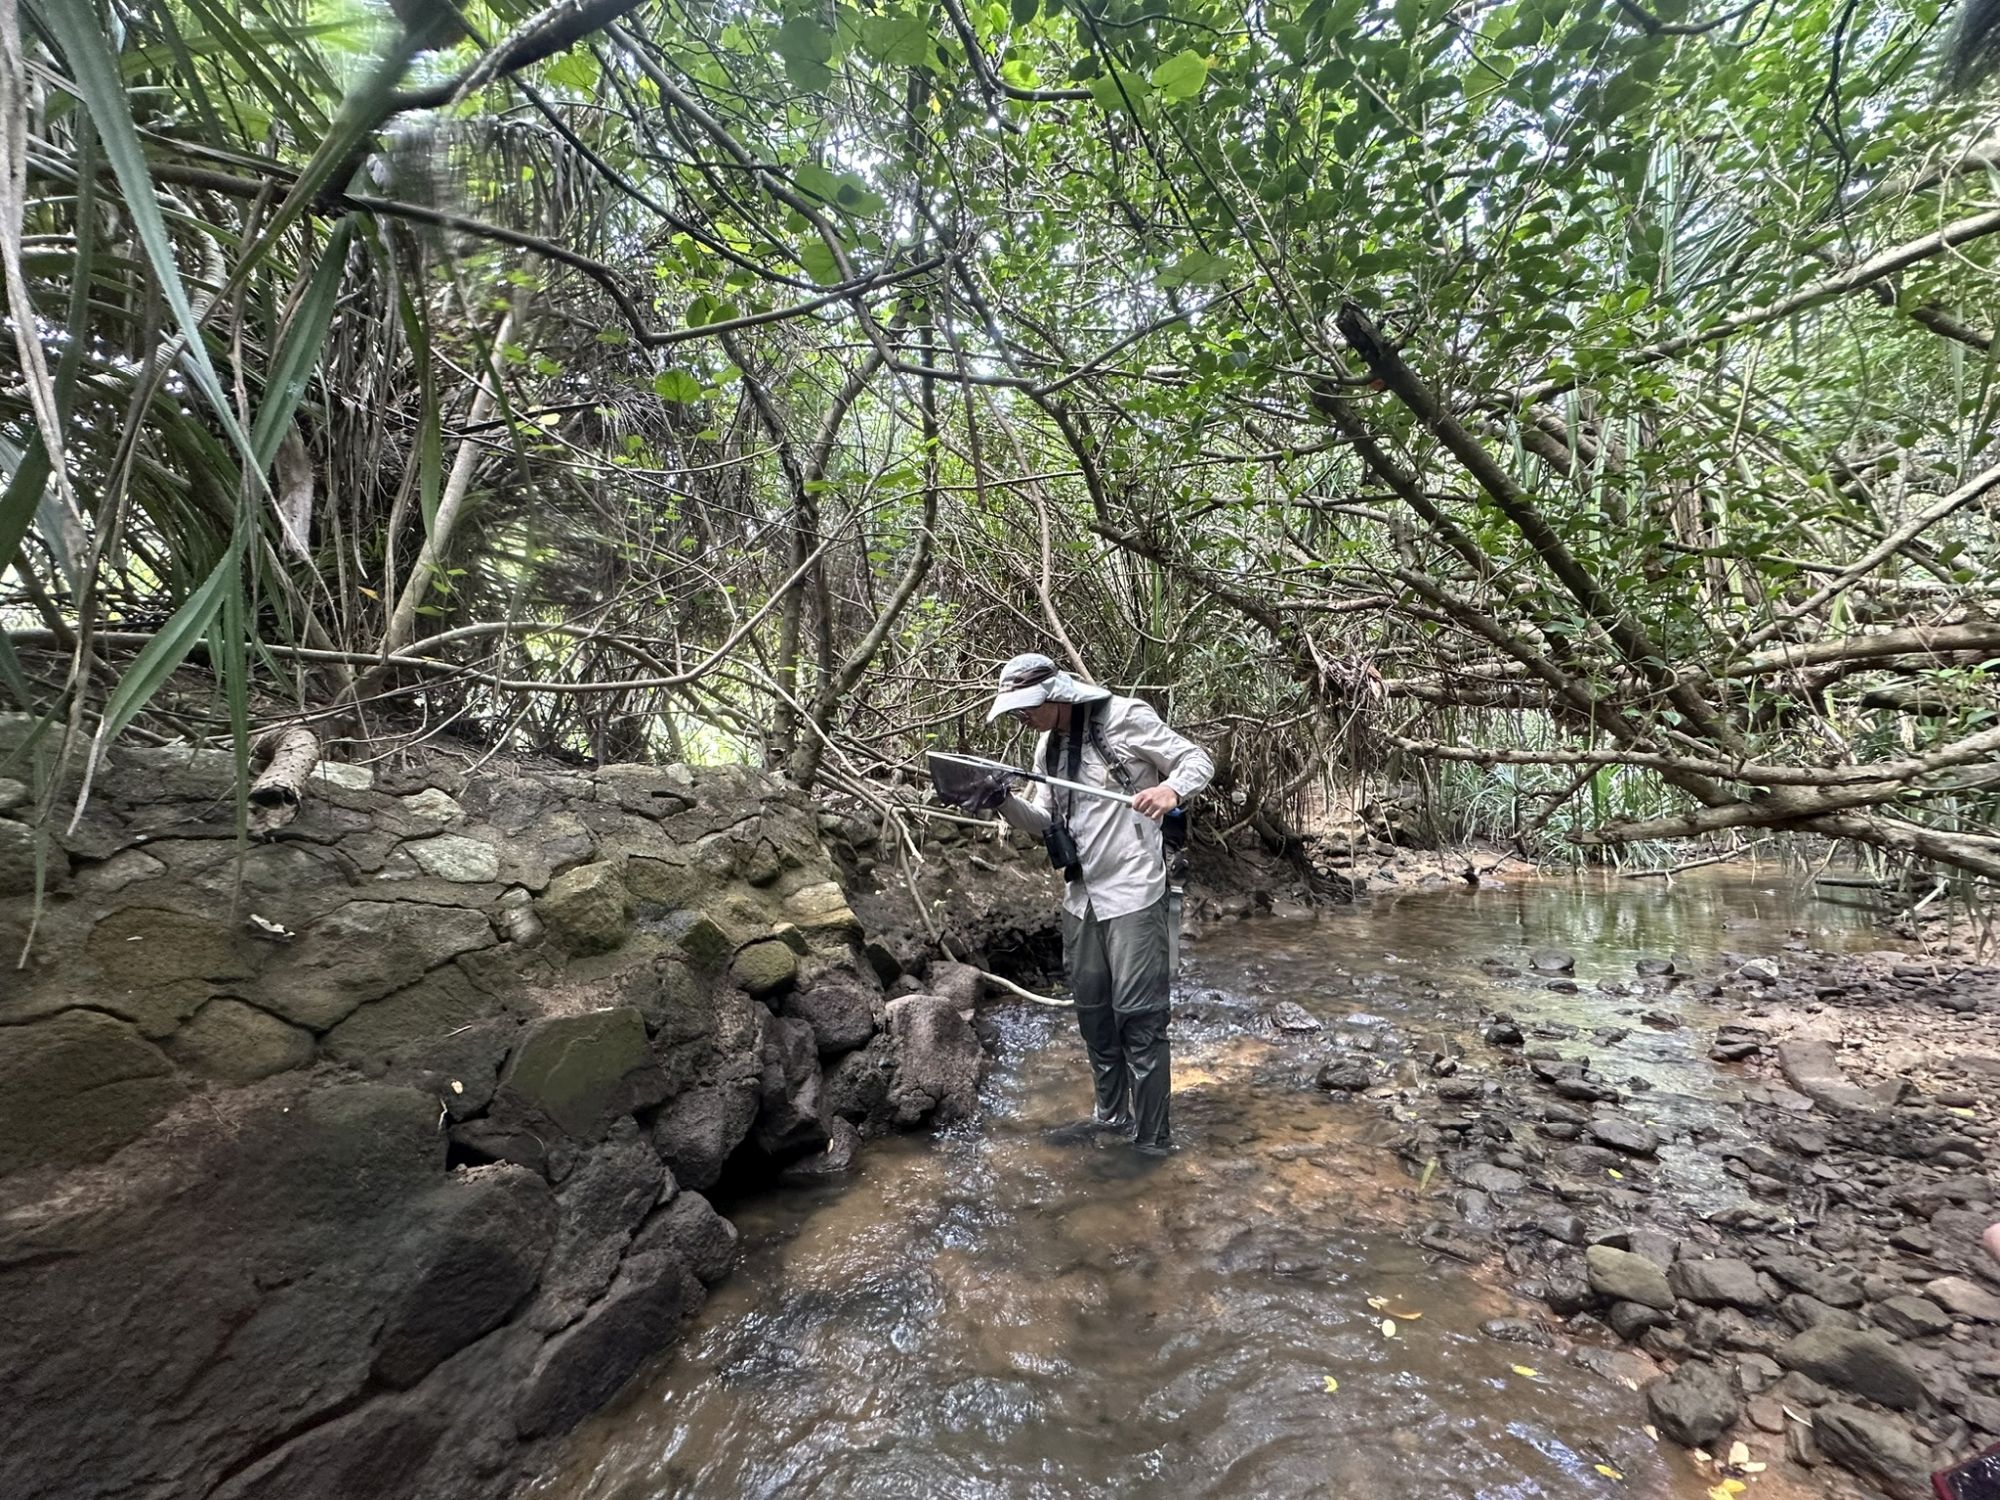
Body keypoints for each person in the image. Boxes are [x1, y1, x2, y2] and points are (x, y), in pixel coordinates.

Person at [972, 652, 1214, 1157]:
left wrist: (1170, 789)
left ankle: (1152, 1143)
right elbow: (1042, 820)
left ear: (1057, 694)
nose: (1023, 717)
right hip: (1081, 900)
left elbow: (1198, 760)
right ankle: (1110, 1120)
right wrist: (999, 800)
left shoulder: (1125, 717)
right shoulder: (1047, 747)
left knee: (1141, 1023)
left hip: (1135, 893)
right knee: (1095, 1020)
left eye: (1028, 707)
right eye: (1016, 709)